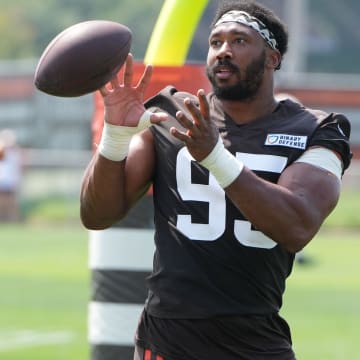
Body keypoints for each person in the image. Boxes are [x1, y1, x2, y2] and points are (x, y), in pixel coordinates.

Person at [80, 0, 352, 359]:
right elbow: (97, 215)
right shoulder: (169, 115)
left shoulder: (316, 129)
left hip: (255, 340)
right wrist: (114, 137)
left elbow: (297, 226)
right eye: (216, 42)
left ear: (272, 57)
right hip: (167, 341)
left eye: (239, 41)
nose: (223, 51)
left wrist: (214, 157)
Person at [0, 129, 22, 222]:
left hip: (10, 180)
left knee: (11, 201)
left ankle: (12, 219)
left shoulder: (15, 153)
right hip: (2, 179)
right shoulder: (3, 151)